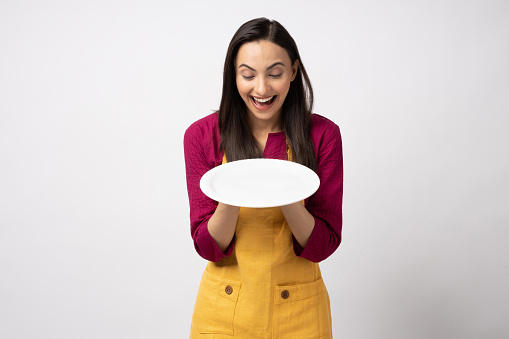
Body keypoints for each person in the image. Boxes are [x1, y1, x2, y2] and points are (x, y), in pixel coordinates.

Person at [184, 17, 343, 339]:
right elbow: (208, 247)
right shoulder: (202, 136)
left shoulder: (323, 135)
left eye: (275, 73)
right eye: (248, 75)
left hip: (299, 311)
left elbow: (322, 246)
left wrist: (284, 187)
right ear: (233, 75)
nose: (261, 88)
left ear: (294, 72)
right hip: (223, 310)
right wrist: (234, 186)